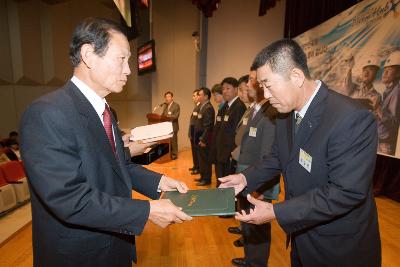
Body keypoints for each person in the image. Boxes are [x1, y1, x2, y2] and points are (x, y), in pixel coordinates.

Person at [19, 17, 192, 267]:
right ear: (88, 54)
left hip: (114, 243)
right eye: (122, 59)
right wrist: (148, 211)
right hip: (79, 255)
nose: (129, 70)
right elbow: (69, 198)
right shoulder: (47, 113)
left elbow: (118, 166)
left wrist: (161, 182)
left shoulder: (107, 112)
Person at [219, 39, 381, 267]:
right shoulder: (286, 112)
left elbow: (346, 192)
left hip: (339, 247)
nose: (265, 94)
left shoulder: (351, 118)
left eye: (267, 84)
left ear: (295, 77)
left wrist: (277, 212)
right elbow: (278, 156)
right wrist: (246, 177)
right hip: (301, 233)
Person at [231, 68, 280, 267]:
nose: (249, 84)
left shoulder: (272, 111)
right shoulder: (257, 108)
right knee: (249, 222)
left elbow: (269, 155)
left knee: (258, 226)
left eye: (253, 80)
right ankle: (250, 258)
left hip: (258, 181)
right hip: (248, 176)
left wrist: (261, 187)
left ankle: (257, 263)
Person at [215, 77, 246, 183]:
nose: (224, 91)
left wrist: (231, 153)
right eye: (223, 89)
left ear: (236, 89)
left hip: (229, 153)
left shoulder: (239, 106)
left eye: (228, 88)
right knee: (220, 180)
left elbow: (236, 133)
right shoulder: (226, 106)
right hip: (221, 151)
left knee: (228, 183)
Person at [376, 50, 400, 155]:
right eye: (384, 70)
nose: (384, 73)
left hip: (386, 145)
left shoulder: (397, 91)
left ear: (398, 73)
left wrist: (378, 109)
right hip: (380, 142)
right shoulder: (388, 91)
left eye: (388, 70)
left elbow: (395, 123)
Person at [193, 87, 215, 186]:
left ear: (206, 96)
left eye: (200, 94)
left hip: (204, 139)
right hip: (200, 138)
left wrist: (203, 139)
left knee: (205, 160)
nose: (198, 96)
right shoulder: (202, 106)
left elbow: (208, 126)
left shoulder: (208, 108)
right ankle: (202, 177)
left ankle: (207, 179)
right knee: (201, 160)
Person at [161, 91, 180, 160]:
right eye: (166, 97)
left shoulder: (176, 105)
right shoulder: (165, 106)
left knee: (173, 142)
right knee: (168, 142)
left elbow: (176, 116)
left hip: (173, 126)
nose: (167, 98)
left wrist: (168, 116)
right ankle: (168, 154)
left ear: (172, 97)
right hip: (166, 127)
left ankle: (174, 155)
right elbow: (163, 115)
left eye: (169, 97)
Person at [189, 89, 201, 174]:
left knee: (197, 152)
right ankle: (195, 166)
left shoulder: (200, 107)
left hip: (196, 133)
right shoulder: (196, 106)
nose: (193, 97)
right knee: (194, 151)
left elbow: (197, 122)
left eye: (194, 95)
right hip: (193, 133)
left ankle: (198, 167)